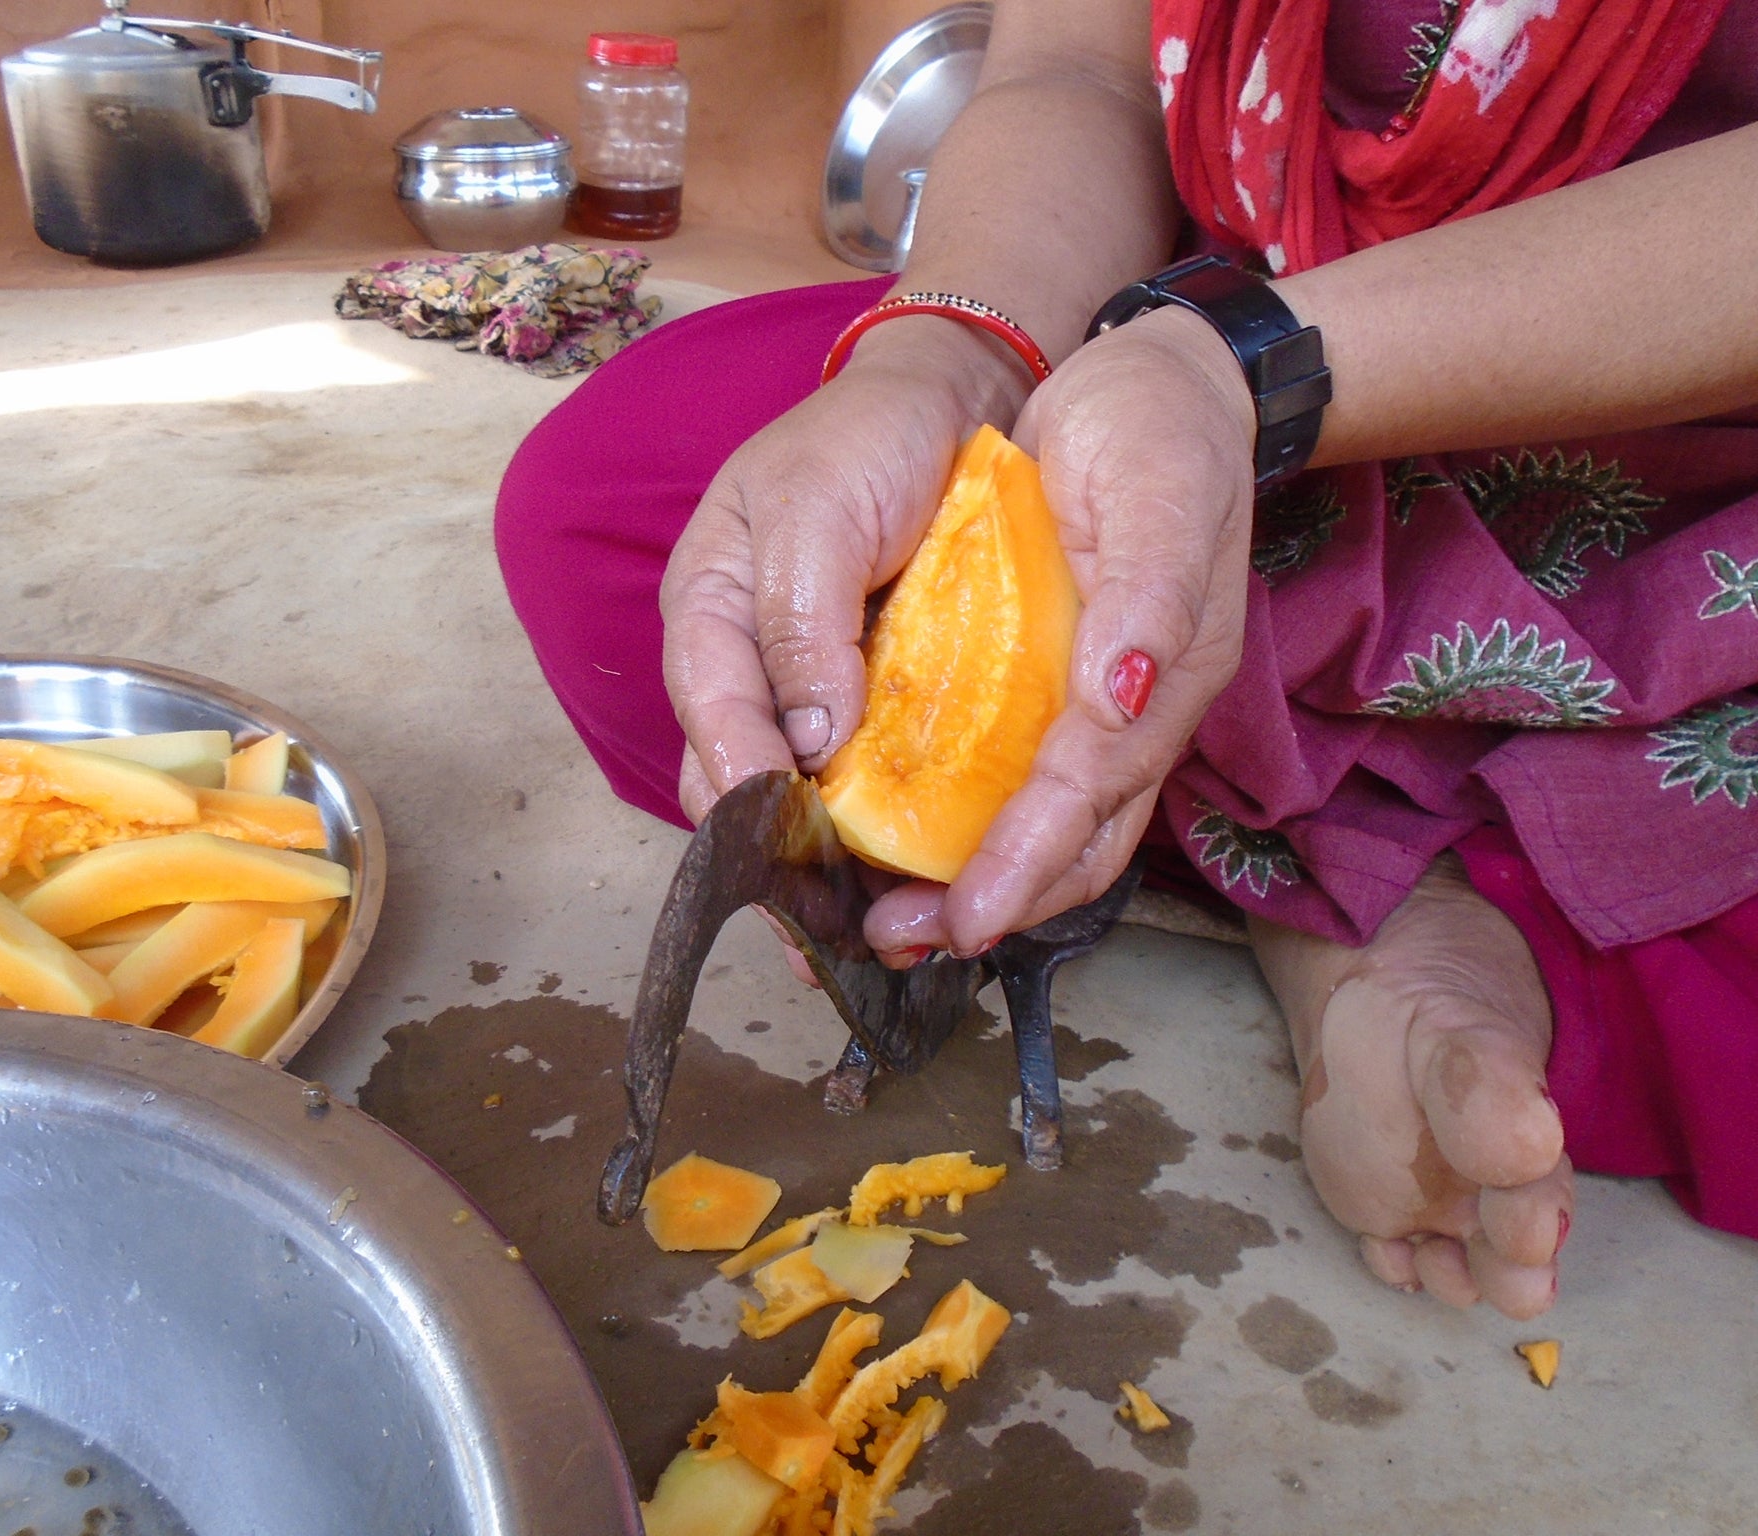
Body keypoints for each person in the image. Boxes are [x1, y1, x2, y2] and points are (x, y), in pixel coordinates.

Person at [496, 0, 1758, 1320]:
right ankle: (1361, 883)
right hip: (1181, 381)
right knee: (614, 517)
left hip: (1672, 474)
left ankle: (1340, 886)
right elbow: (1077, 71)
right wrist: (946, 360)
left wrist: (1246, 374)